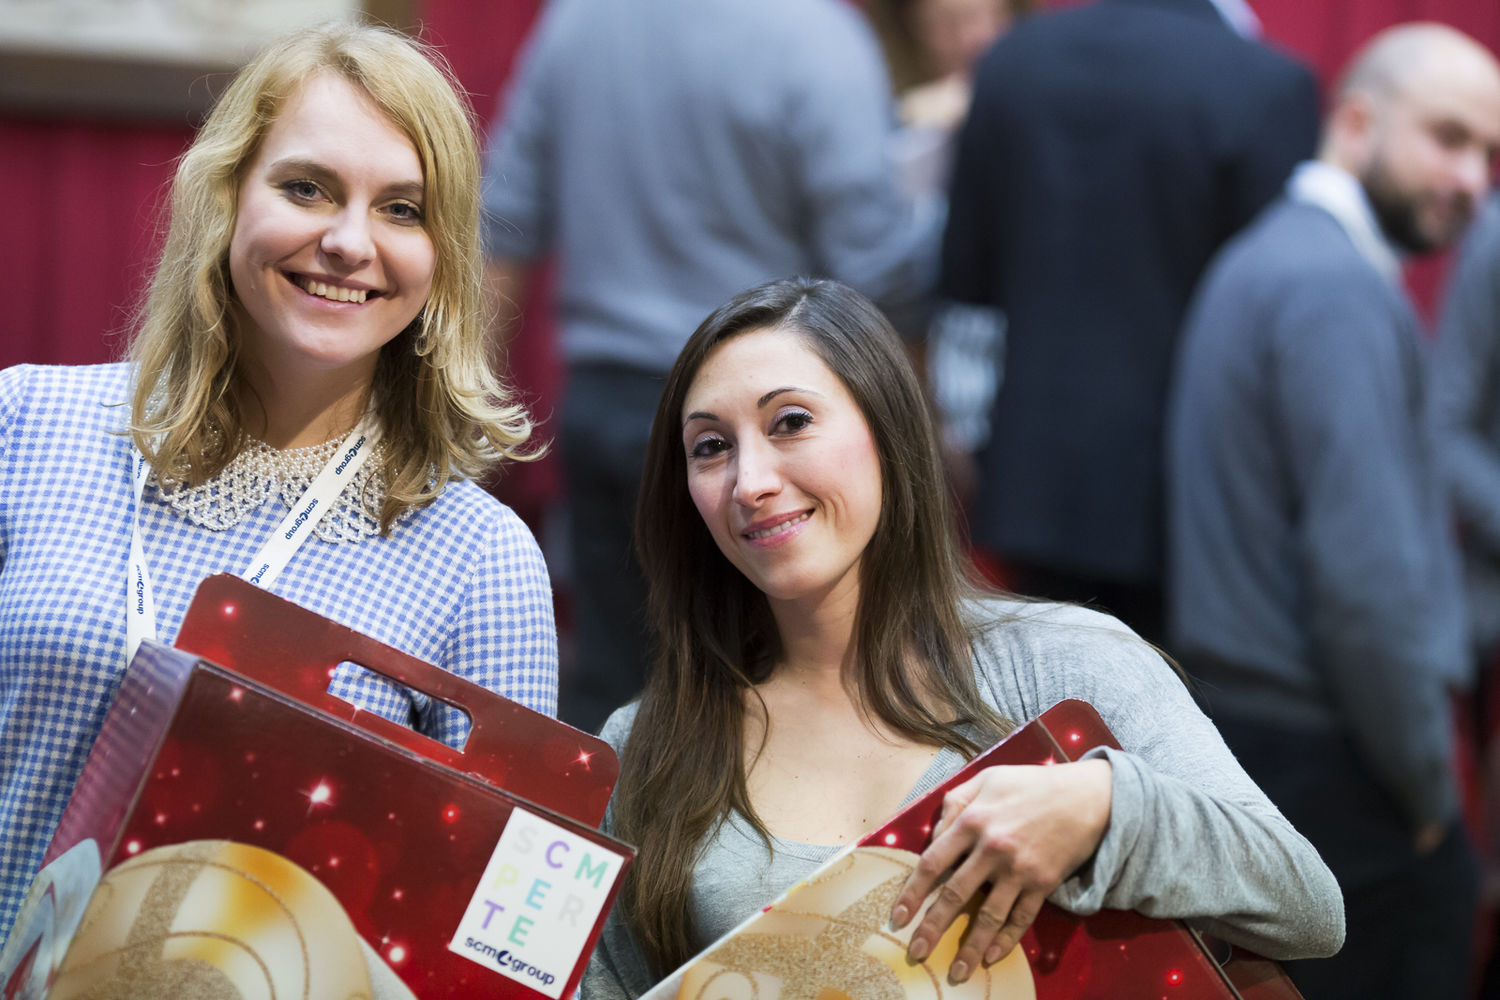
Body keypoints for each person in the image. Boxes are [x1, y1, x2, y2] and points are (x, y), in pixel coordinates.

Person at [583, 277, 1344, 998]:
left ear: (888, 432)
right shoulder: (647, 743)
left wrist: (1104, 810)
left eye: (791, 423)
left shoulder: (1065, 663)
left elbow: (1309, 908)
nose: (750, 481)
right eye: (710, 447)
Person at [0, 21, 559, 941]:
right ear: (227, 198)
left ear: (443, 260)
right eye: (307, 188)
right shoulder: (30, 424)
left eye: (402, 209)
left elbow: (513, 936)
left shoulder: (478, 559)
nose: (347, 241)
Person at [480, 0, 939, 734]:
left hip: (606, 401)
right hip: (766, 430)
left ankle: (601, 841)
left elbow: (504, 219)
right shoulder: (814, 38)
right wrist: (925, 421)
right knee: (759, 696)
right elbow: (878, 268)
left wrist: (463, 408)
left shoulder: (580, 23)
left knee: (615, 688)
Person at [1167, 23, 1500, 999]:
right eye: (1448, 138)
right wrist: (1431, 795)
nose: (1472, 179)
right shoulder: (1334, 290)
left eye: (1489, 155)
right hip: (1339, 765)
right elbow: (1369, 583)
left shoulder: (1271, 257)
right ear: (1356, 122)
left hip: (1270, 740)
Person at [940, 0, 1319, 644]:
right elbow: (1273, 314)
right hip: (1191, 496)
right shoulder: (1269, 84)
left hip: (1031, 474)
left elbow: (967, 280)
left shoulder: (1013, 62)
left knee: (1045, 718)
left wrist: (965, 429)